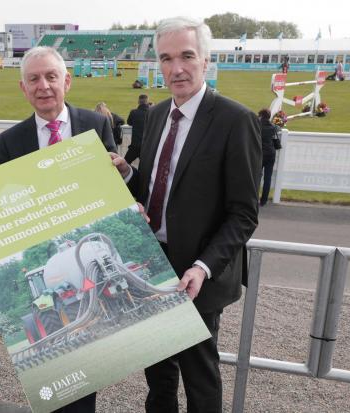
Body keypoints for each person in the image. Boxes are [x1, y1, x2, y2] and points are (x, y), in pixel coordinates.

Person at [110, 16, 261, 412]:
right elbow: (161, 187)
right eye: (166, 58)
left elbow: (244, 214)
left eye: (187, 56)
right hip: (151, 265)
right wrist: (129, 174)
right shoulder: (158, 114)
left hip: (197, 274)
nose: (176, 68)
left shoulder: (235, 120)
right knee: (158, 379)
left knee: (200, 380)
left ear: (206, 61)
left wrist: (202, 266)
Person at [0, 46, 116, 413]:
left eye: (51, 77)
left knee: (87, 381)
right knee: (56, 386)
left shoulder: (95, 126)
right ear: (23, 88)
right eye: (34, 79)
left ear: (66, 81)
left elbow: (111, 191)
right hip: (47, 246)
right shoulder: (10, 141)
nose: (43, 86)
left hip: (82, 244)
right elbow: (7, 210)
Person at [258, 108, 281, 206]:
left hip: (260, 154)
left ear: (261, 116)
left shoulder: (257, 126)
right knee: (268, 178)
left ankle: (254, 199)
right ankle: (264, 201)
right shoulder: (273, 127)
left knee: (257, 177)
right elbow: (278, 128)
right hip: (271, 154)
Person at [124, 94, 150, 164]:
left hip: (135, 145)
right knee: (146, 167)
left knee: (124, 163)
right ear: (147, 102)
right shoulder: (151, 112)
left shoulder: (134, 112)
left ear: (138, 102)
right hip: (147, 146)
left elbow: (129, 122)